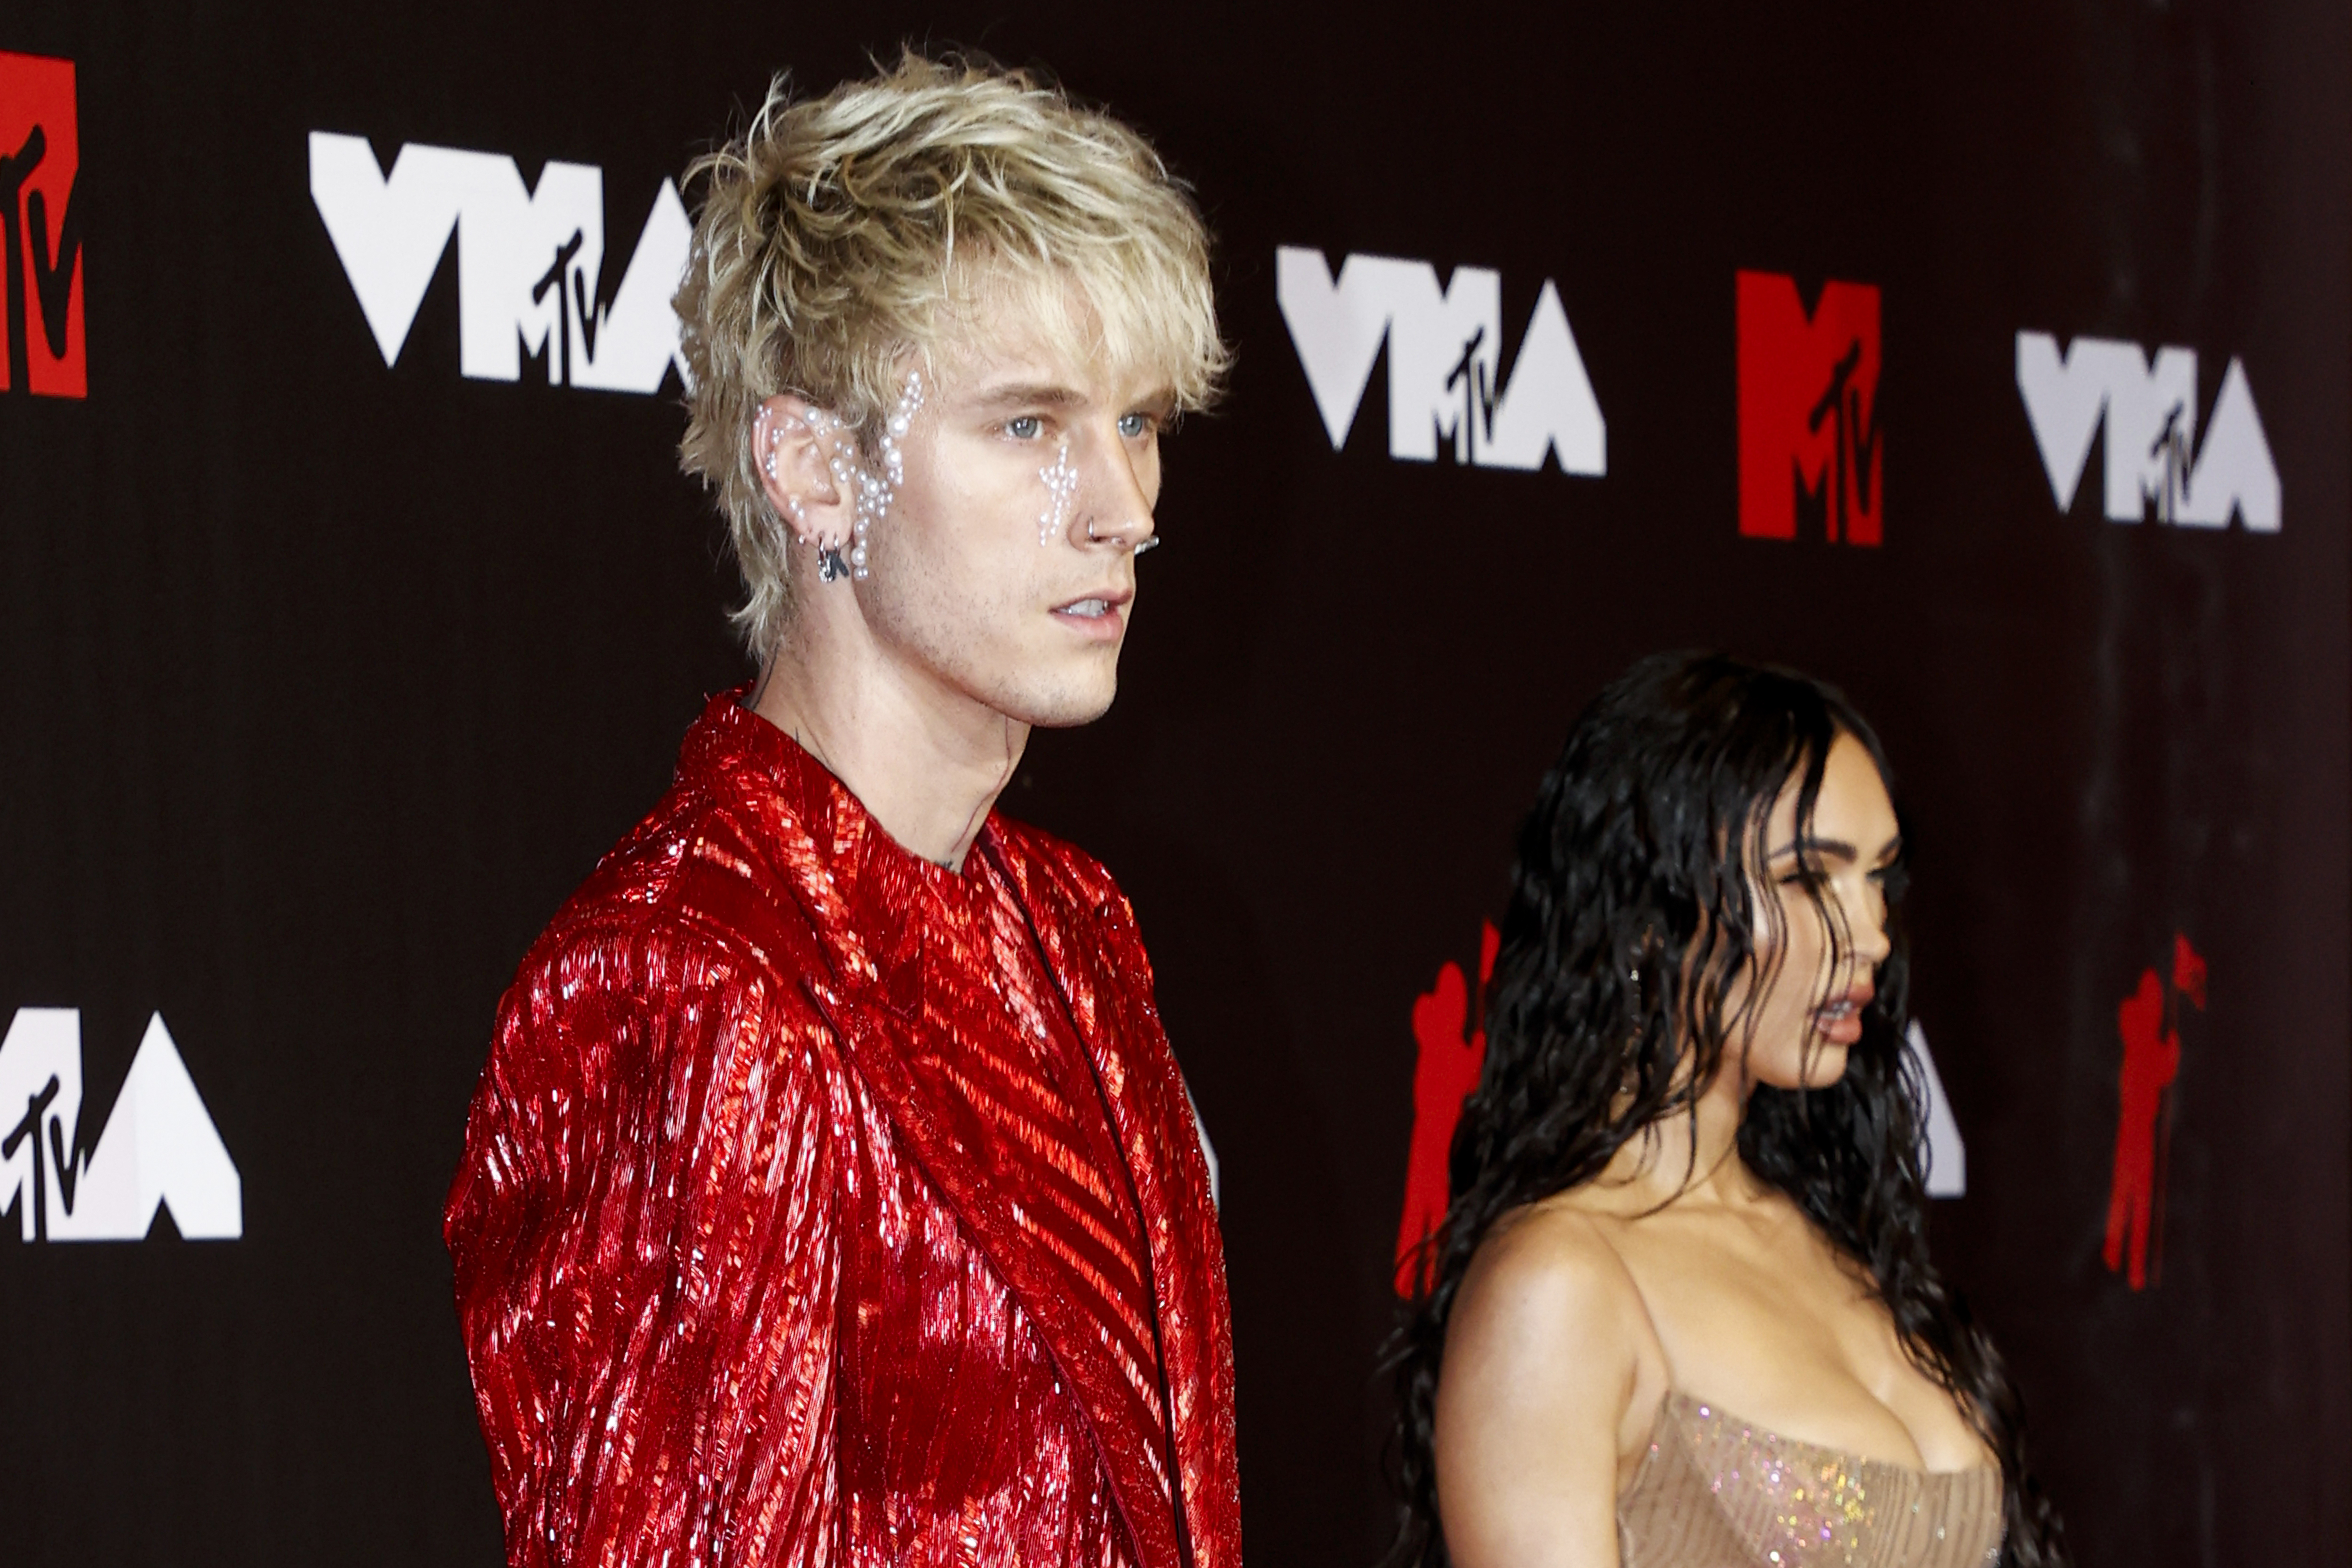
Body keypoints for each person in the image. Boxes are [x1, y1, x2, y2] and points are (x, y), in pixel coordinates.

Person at [443, 54, 1239, 1568]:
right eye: (1028, 425)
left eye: (1136, 423)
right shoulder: (686, 986)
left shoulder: (1075, 930)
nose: (1124, 506)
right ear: (812, 468)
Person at [1388, 653, 2065, 1568]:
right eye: (1807, 878)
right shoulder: (1557, 1287)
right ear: (1648, 916)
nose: (1869, 934)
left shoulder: (1830, 1234)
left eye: (1877, 878)